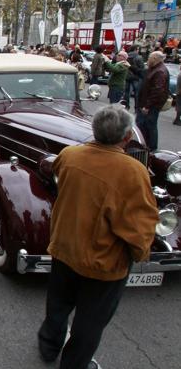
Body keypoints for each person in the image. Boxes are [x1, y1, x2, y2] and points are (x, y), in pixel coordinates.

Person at [37, 105, 158, 369]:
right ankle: (74, 365)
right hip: (103, 261)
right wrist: (140, 253)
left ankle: (48, 345)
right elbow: (138, 223)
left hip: (65, 247)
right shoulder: (132, 171)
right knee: (90, 322)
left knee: (57, 304)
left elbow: (55, 178)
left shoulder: (69, 155)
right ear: (126, 137)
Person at [137, 51, 169, 150]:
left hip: (150, 105)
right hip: (147, 103)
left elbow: (157, 91)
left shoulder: (160, 71)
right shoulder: (155, 69)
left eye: (149, 58)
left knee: (149, 126)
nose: (148, 60)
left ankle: (150, 148)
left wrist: (147, 106)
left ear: (155, 59)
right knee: (144, 125)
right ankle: (146, 145)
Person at [125, 45, 145, 110]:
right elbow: (142, 68)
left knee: (127, 92)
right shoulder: (139, 57)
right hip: (136, 76)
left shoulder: (126, 56)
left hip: (127, 76)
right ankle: (137, 108)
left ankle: (126, 106)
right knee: (137, 93)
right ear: (136, 49)